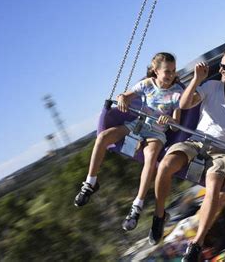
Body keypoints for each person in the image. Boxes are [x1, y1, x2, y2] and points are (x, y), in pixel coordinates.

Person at [147, 47, 225, 261]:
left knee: (214, 187)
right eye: (221, 66)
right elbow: (184, 104)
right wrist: (196, 80)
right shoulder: (211, 86)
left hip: (222, 151)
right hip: (196, 141)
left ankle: (196, 243)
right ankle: (159, 216)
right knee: (165, 165)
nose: (221, 70)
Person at [73, 52, 183, 232]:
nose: (171, 75)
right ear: (155, 71)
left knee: (151, 157)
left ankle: (137, 206)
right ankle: (90, 183)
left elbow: (177, 126)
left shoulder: (176, 92)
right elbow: (125, 95)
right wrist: (122, 98)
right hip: (138, 125)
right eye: (167, 71)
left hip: (157, 133)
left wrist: (169, 121)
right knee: (103, 137)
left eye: (173, 71)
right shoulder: (147, 85)